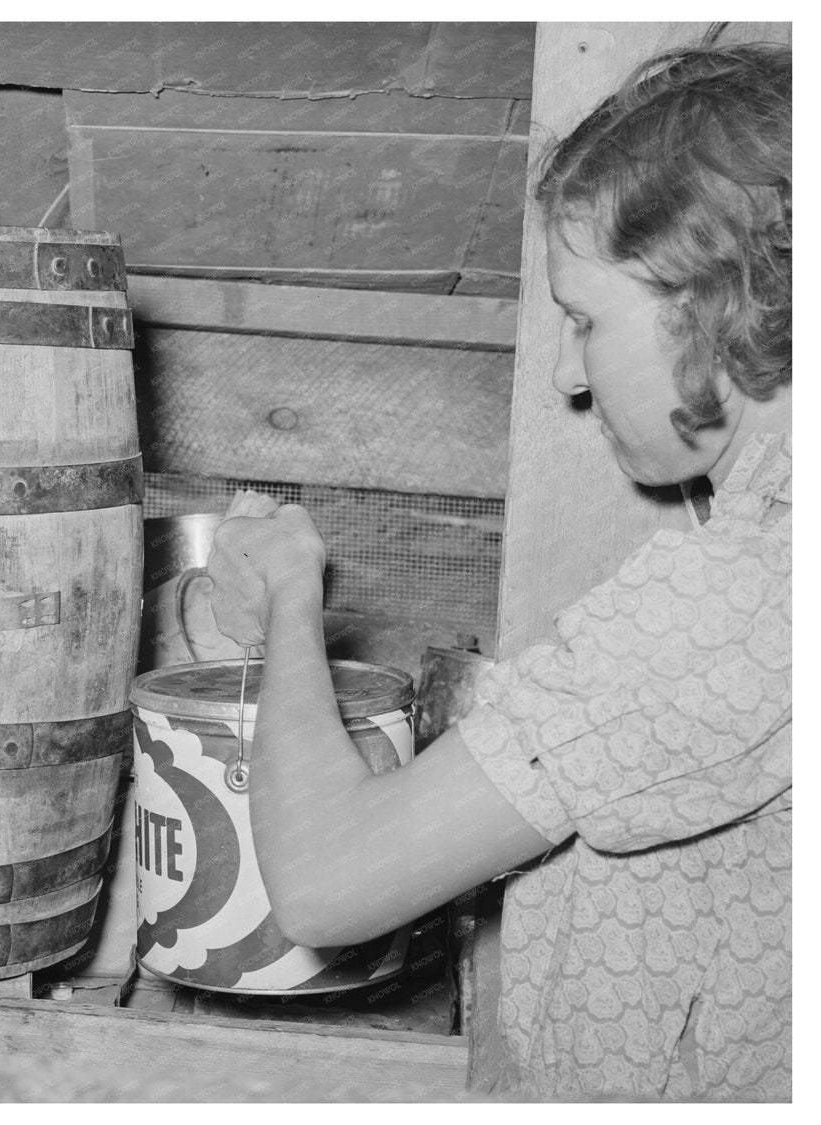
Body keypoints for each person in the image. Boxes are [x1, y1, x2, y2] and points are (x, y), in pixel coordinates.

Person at [206, 42, 790, 1100]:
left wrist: (290, 610)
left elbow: (327, 890)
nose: (569, 375)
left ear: (715, 302)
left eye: (584, 320)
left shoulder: (744, 594)